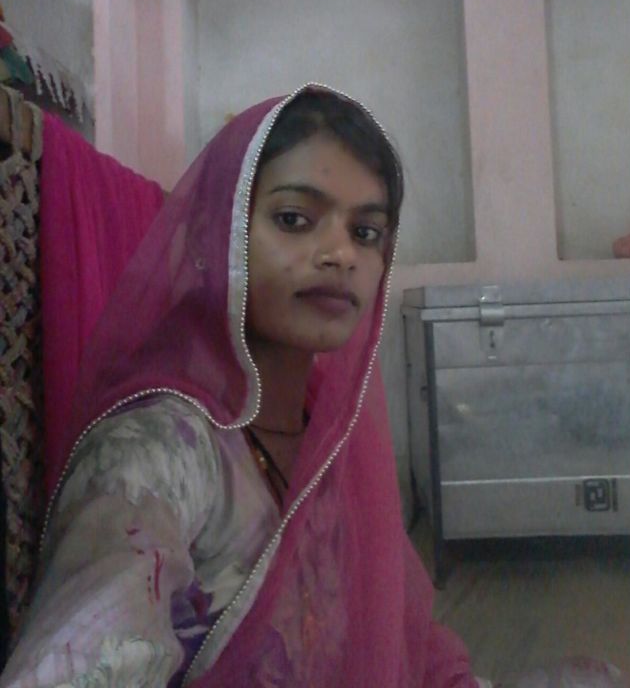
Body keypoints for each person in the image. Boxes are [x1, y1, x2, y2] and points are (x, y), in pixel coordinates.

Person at [0, 85, 479, 686]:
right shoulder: (157, 452)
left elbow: (407, 635)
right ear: (214, 235)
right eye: (294, 219)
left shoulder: (334, 441)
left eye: (366, 232)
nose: (340, 254)